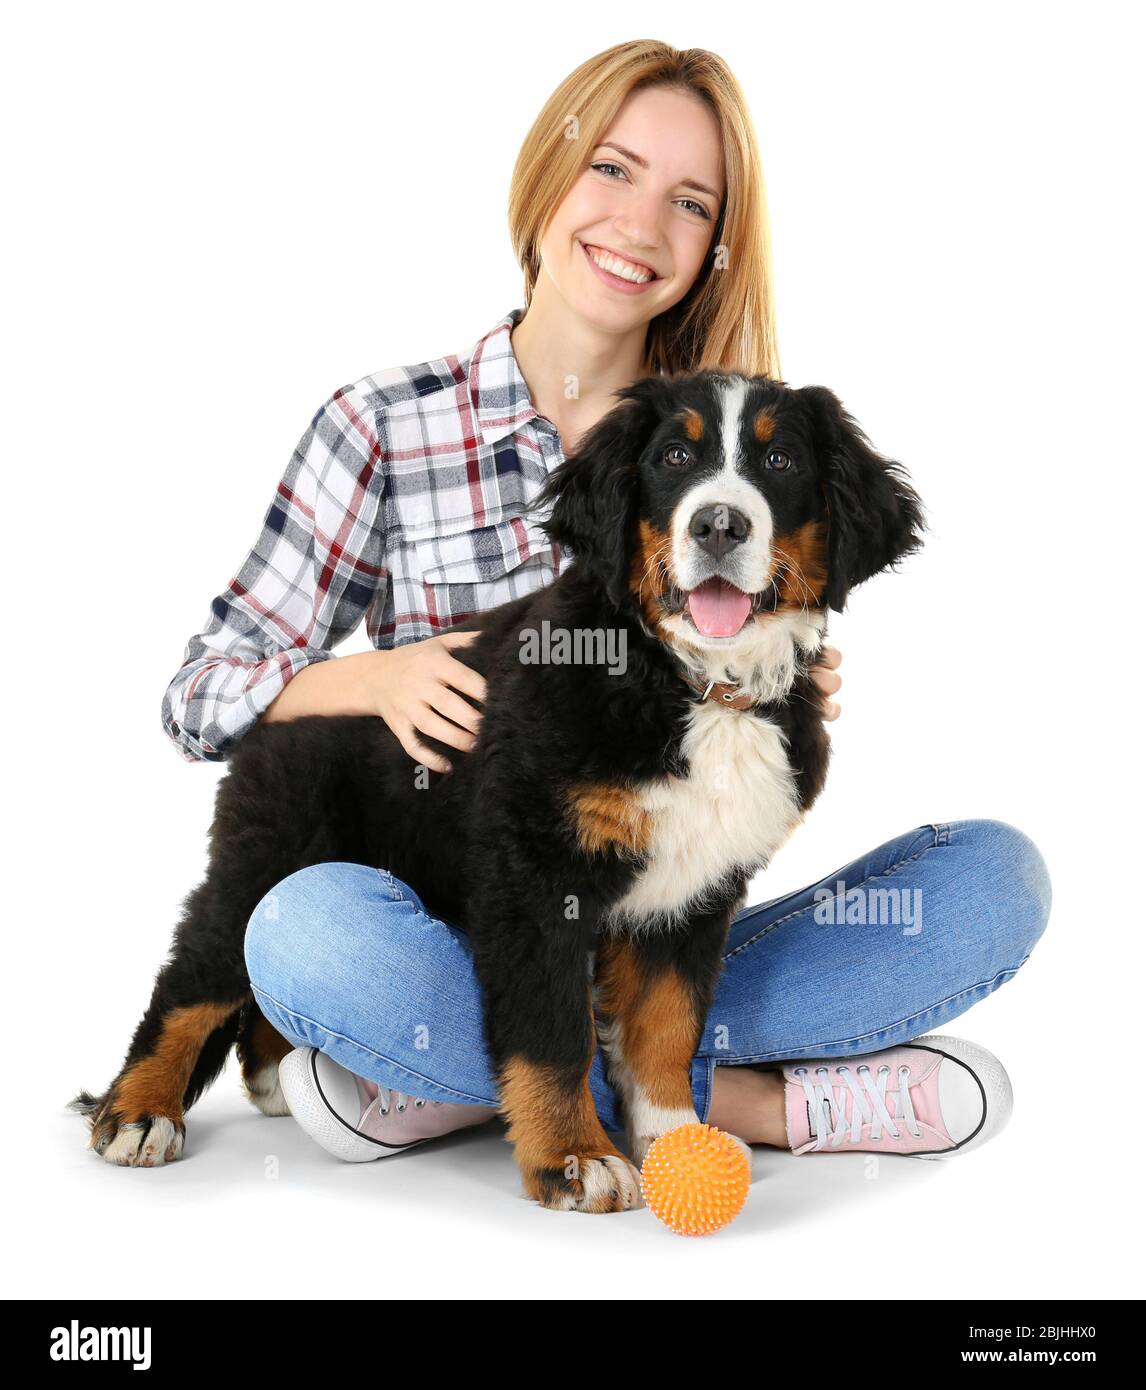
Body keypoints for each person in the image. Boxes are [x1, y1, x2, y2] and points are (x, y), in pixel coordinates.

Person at [164, 42, 1051, 1168]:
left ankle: (469, 1078)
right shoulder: (381, 423)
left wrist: (773, 671)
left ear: (719, 241)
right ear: (547, 177)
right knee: (303, 934)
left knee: (992, 882)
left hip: (644, 927)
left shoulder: (739, 426)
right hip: (442, 916)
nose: (640, 223)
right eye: (614, 169)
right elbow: (196, 696)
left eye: (690, 200)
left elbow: (712, 837)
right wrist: (365, 677)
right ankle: (713, 1092)